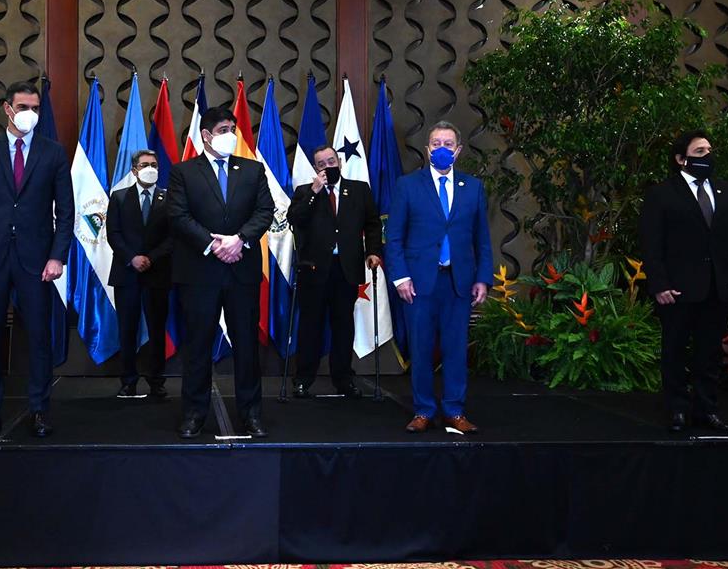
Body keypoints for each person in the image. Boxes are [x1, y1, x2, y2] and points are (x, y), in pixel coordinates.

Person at [0, 81, 73, 439]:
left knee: (39, 338)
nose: (30, 115)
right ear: (7, 109)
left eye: (35, 109)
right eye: (24, 107)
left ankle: (40, 409)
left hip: (36, 261)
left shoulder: (53, 153)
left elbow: (66, 212)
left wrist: (58, 257)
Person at [167, 106, 275, 438]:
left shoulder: (253, 170)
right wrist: (213, 245)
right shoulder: (184, 172)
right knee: (197, 346)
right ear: (205, 135)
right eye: (224, 129)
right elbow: (178, 215)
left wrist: (239, 240)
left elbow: (265, 210)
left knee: (246, 347)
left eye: (233, 129)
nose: (231, 135)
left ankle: (251, 413)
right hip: (200, 272)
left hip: (241, 270)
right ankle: (194, 413)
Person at [639, 129, 728, 433]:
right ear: (681, 159)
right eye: (700, 152)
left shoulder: (727, 192)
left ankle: (707, 410)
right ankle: (677, 409)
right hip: (677, 289)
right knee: (675, 350)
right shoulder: (661, 194)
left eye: (709, 150)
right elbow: (652, 244)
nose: (708, 156)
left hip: (718, 288)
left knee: (709, 352)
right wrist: (660, 284)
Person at [386, 120, 493, 433]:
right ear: (427, 149)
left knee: (456, 348)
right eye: (436, 144)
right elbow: (394, 238)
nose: (442, 149)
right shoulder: (408, 185)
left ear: (458, 150)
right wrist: (400, 277)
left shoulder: (472, 188)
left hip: (458, 282)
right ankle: (423, 410)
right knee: (420, 348)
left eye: (448, 144)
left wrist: (483, 278)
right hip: (418, 283)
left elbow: (481, 239)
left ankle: (454, 410)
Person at [287, 144, 383, 398]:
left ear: (339, 161)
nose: (327, 167)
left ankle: (343, 379)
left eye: (331, 161)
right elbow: (295, 219)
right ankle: (303, 379)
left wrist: (373, 251)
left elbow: (372, 224)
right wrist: (314, 191)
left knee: (343, 326)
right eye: (321, 164)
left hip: (346, 270)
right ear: (316, 168)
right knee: (310, 326)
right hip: (314, 270)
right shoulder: (306, 192)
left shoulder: (359, 190)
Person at [107, 149, 172, 399]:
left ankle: (157, 381)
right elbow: (113, 233)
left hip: (158, 273)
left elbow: (173, 236)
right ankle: (128, 381)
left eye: (154, 164)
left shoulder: (169, 198)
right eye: (145, 164)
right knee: (127, 329)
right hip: (127, 273)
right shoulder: (120, 197)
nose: (150, 168)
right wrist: (131, 258)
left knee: (157, 329)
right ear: (134, 169)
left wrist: (151, 258)